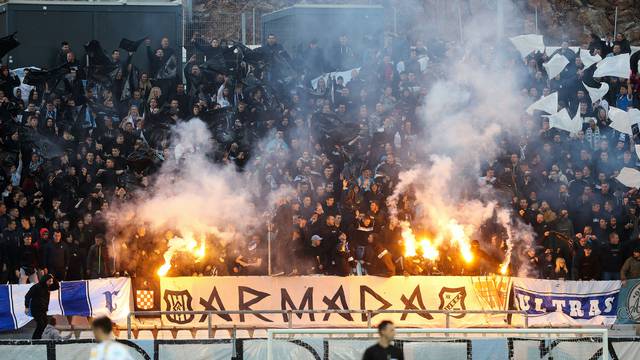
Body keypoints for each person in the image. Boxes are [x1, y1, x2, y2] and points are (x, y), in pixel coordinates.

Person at [24, 274, 59, 339]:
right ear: (45, 280)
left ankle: (38, 337)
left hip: (43, 309)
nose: (51, 283)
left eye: (51, 281)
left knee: (45, 324)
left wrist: (53, 278)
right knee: (41, 324)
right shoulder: (36, 287)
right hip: (36, 309)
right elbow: (27, 296)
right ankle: (35, 339)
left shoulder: (48, 287)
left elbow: (57, 286)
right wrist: (26, 307)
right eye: (49, 281)